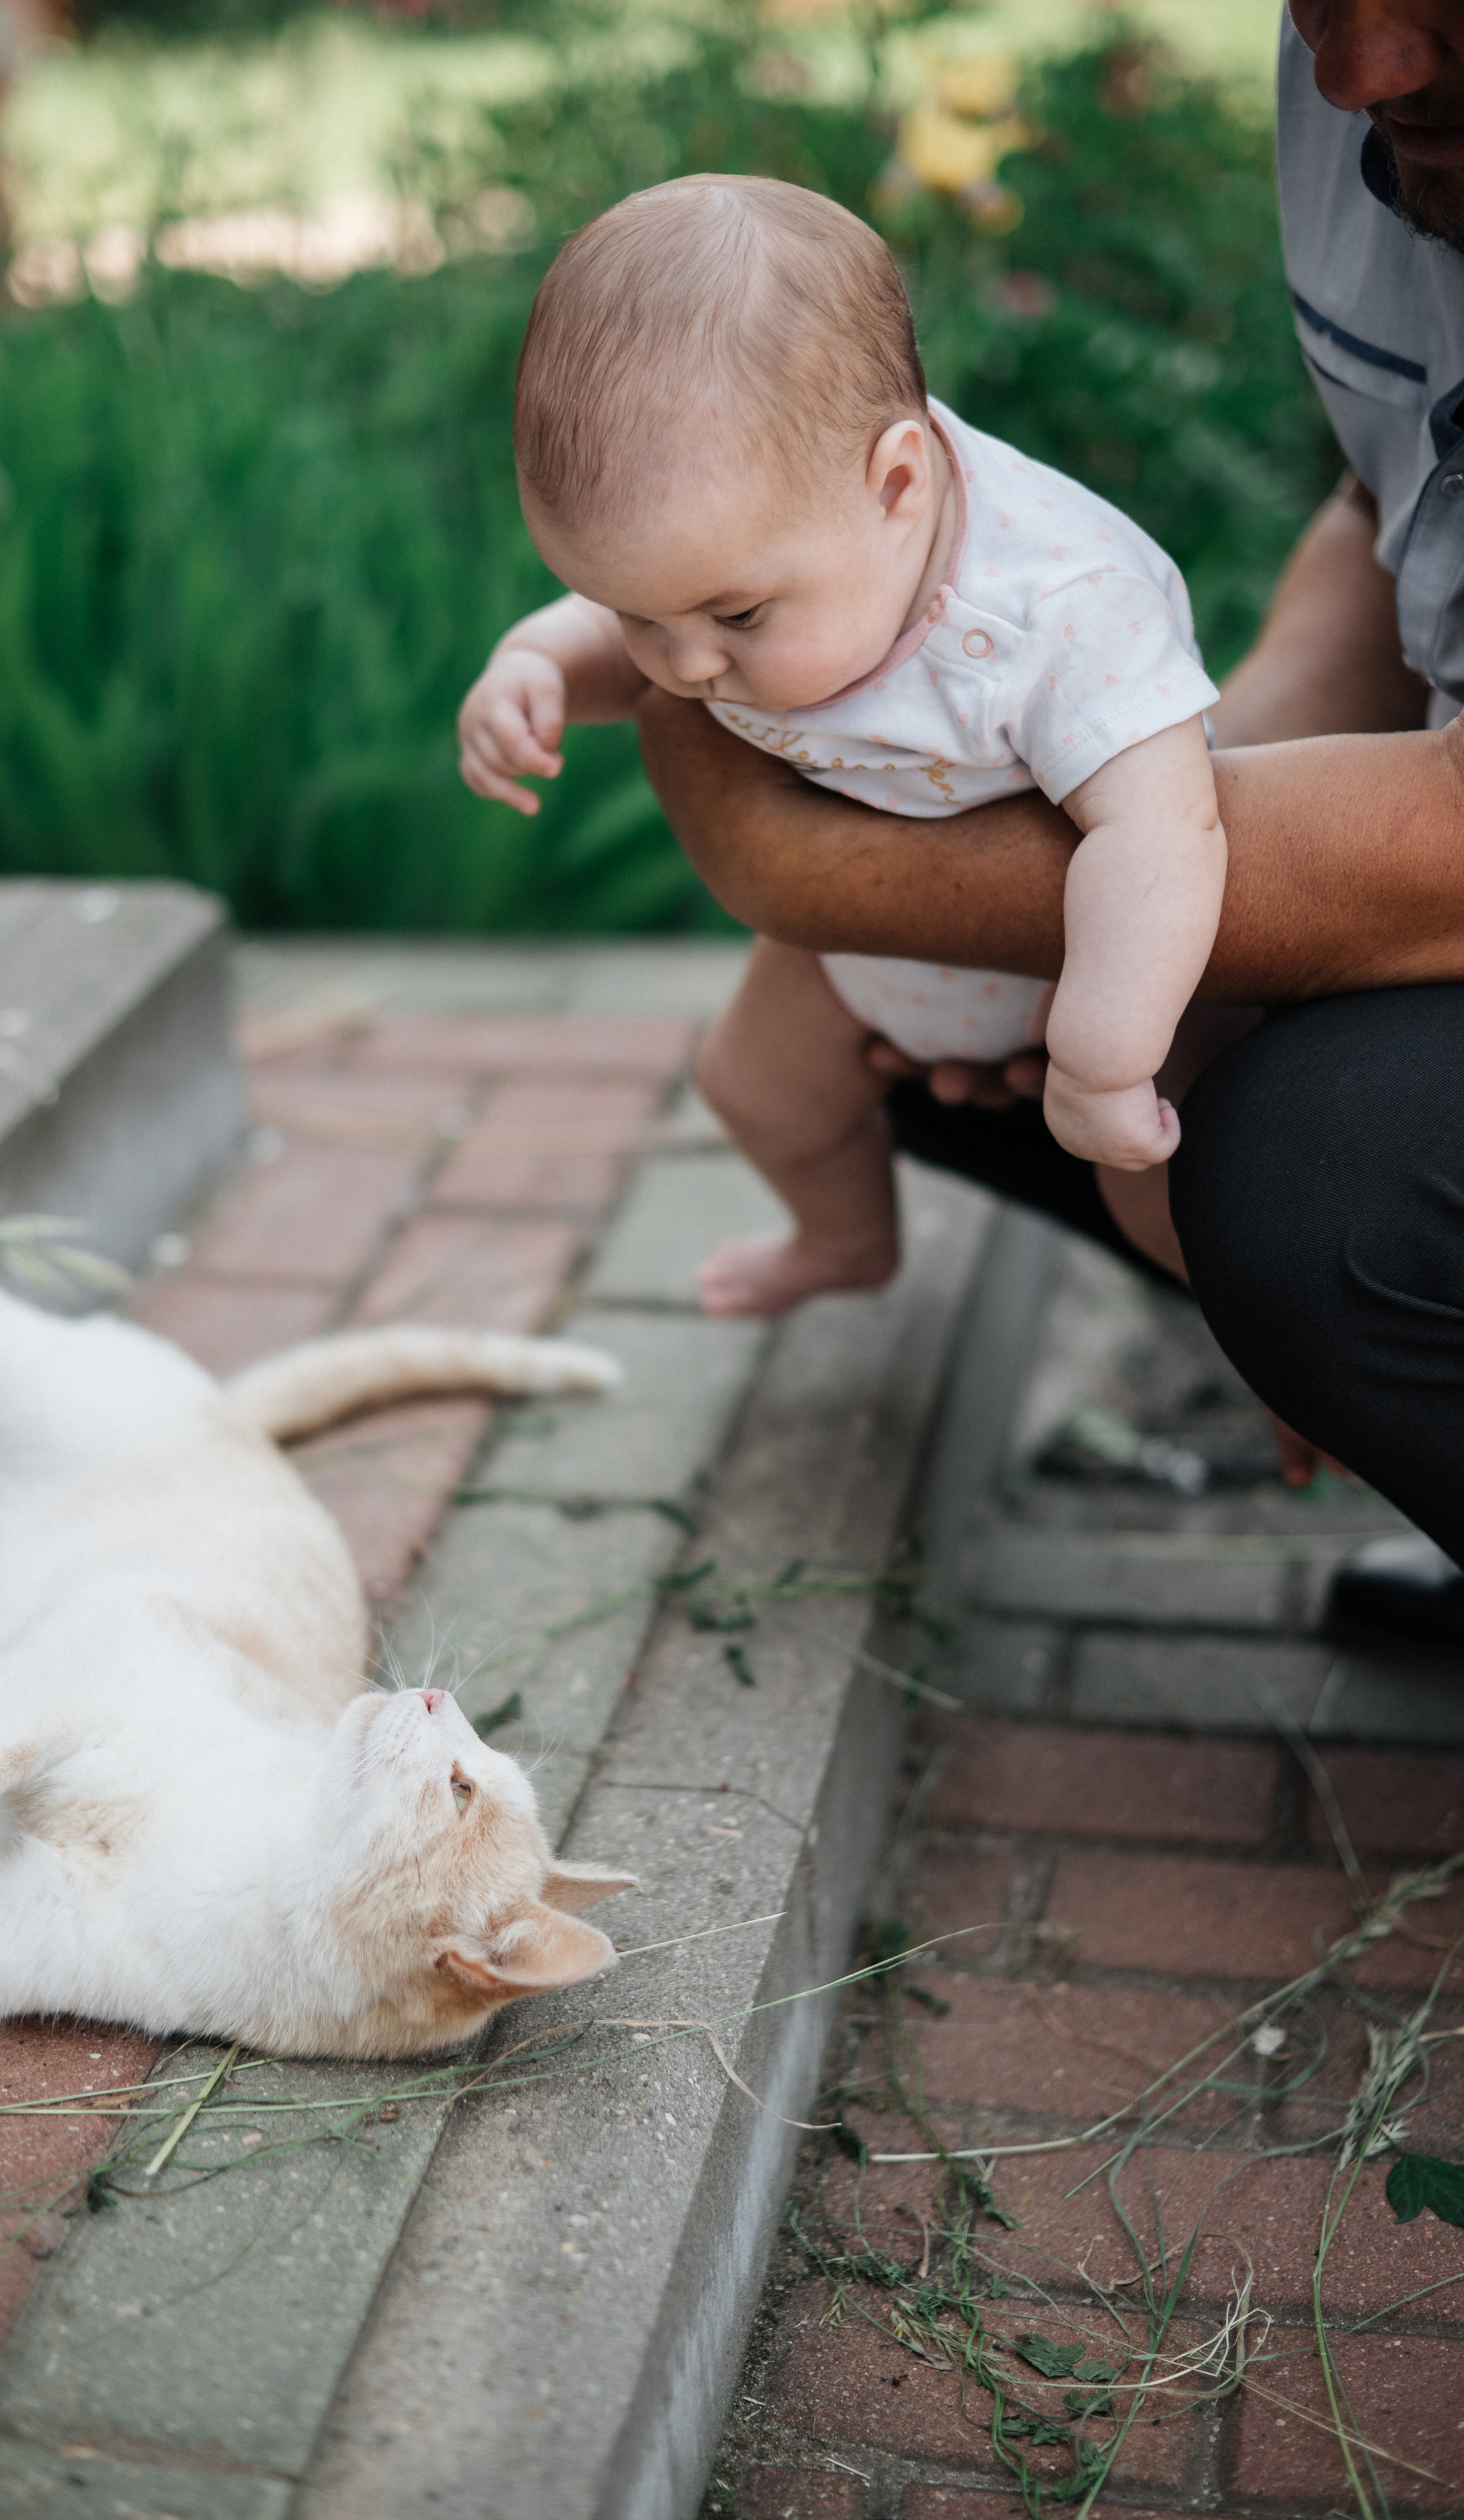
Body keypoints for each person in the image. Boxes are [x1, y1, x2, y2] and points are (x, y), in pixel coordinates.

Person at [628, 0, 1464, 1635]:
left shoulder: (1038, 585)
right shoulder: (1382, 94)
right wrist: (1165, 804)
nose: (1355, 72)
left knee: (1310, 1181)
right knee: (944, 1034)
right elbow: (1384, 503)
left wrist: (817, 865)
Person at [458, 178, 1227, 1319]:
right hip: (868, 944)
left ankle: (1265, 1352)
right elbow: (664, 629)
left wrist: (1108, 1049)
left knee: (1167, 1196)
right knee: (755, 1086)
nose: (682, 668)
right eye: (630, 615)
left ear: (899, 485)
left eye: (737, 618)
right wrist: (545, 663)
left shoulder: (1060, 613)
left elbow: (1163, 827)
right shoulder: (777, 542)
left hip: (1111, 963)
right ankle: (843, 1240)